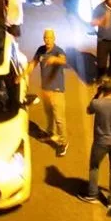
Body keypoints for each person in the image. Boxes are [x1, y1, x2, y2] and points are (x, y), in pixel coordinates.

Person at [78, 77, 111, 205]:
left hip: (100, 142)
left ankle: (92, 194)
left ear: (102, 89)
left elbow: (88, 110)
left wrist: (97, 94)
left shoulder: (97, 103)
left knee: (94, 166)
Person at [27, 28, 68, 156]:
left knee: (59, 118)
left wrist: (54, 60)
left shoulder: (58, 51)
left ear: (54, 39)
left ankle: (63, 142)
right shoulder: (41, 50)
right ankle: (51, 133)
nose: (47, 40)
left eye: (50, 38)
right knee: (49, 113)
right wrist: (23, 74)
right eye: (45, 38)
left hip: (56, 91)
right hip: (45, 90)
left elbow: (63, 60)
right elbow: (33, 64)